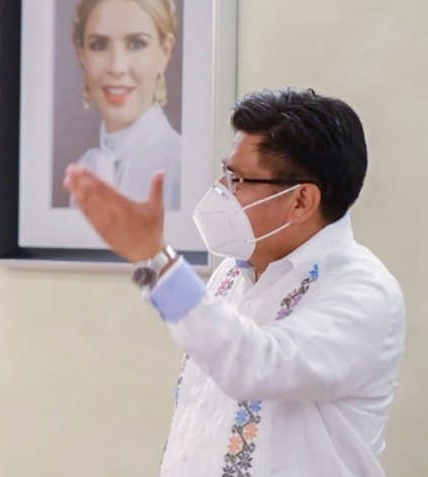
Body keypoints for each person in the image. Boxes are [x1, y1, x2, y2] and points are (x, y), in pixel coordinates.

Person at [63, 88, 406, 476]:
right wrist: (151, 263)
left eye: (238, 179)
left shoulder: (363, 292)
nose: (221, 189)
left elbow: (258, 365)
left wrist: (157, 261)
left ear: (301, 201)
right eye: (225, 172)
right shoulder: (232, 271)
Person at [72, 0, 182, 210]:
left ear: (165, 51)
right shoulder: (84, 167)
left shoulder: (180, 168)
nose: (117, 67)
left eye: (136, 44)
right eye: (99, 45)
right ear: (82, 55)